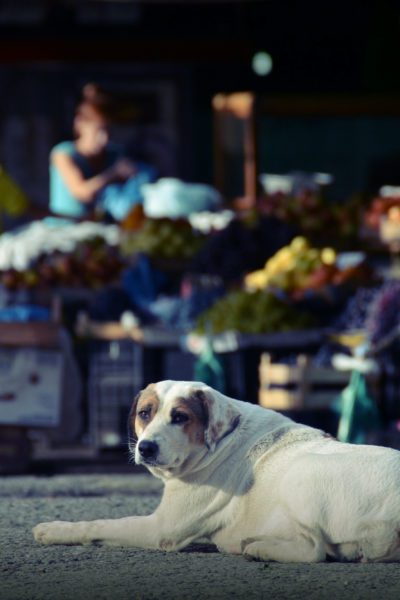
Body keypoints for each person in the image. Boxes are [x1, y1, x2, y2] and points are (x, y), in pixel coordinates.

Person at [49, 83, 156, 221]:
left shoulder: (114, 153)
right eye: (98, 131)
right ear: (80, 124)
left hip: (98, 230)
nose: (104, 139)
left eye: (108, 131)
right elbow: (82, 192)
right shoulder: (63, 153)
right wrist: (113, 175)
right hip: (64, 230)